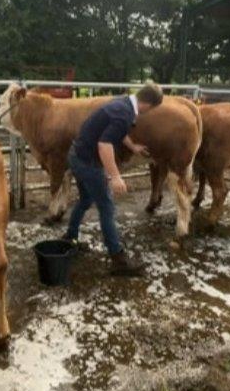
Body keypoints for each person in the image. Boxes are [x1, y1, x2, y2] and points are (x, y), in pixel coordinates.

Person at [64, 82, 164, 276]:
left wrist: (133, 146)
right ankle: (118, 259)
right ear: (148, 104)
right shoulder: (124, 114)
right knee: (107, 207)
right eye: (152, 109)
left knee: (85, 200)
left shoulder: (123, 102)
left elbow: (116, 131)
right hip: (88, 162)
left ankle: (70, 237)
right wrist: (115, 176)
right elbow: (104, 144)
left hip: (75, 154)